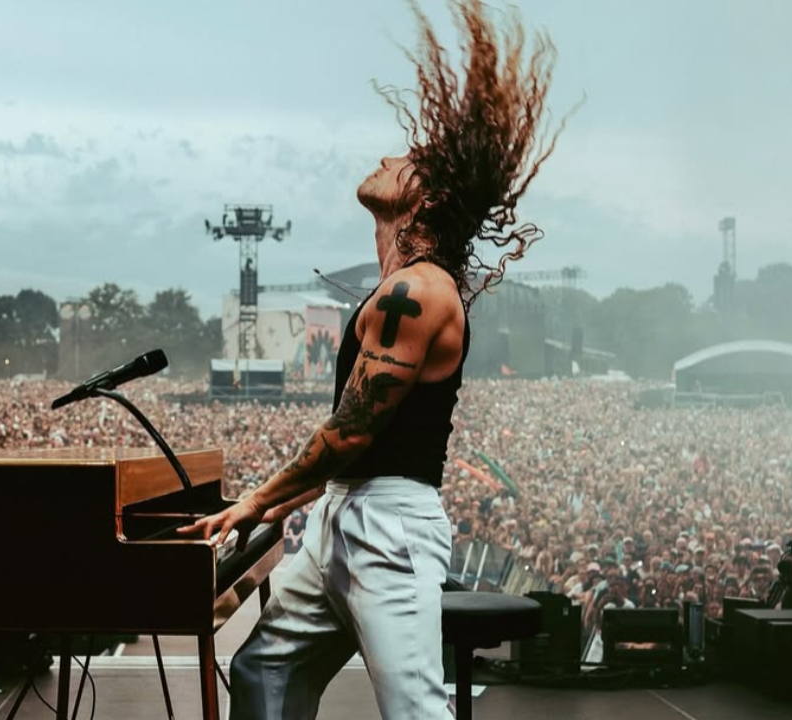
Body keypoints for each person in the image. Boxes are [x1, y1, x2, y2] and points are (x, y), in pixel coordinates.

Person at [179, 1, 571, 716]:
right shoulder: (399, 288)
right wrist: (281, 506)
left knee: (414, 708)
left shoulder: (417, 293)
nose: (390, 157)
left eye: (407, 161)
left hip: (387, 529)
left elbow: (354, 431)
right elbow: (357, 449)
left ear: (429, 199)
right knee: (263, 669)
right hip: (343, 511)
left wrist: (256, 499)